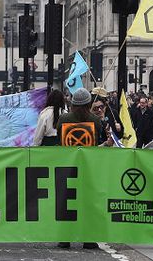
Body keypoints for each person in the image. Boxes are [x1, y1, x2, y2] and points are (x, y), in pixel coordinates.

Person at [56, 87, 102, 250]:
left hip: (67, 166)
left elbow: (60, 141)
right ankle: (89, 239)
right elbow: (96, 142)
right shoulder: (95, 120)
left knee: (66, 203)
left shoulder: (63, 119)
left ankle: (65, 239)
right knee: (88, 203)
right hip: (88, 168)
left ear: (73, 103)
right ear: (89, 103)